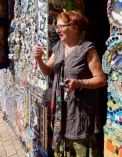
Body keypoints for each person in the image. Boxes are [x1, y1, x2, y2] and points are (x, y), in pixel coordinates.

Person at [33, 11, 106, 157]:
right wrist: (39, 59)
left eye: (61, 26)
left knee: (80, 148)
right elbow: (47, 70)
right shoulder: (59, 46)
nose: (57, 30)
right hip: (62, 111)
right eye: (56, 27)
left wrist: (79, 83)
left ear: (75, 27)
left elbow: (101, 79)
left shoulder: (87, 48)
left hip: (80, 111)